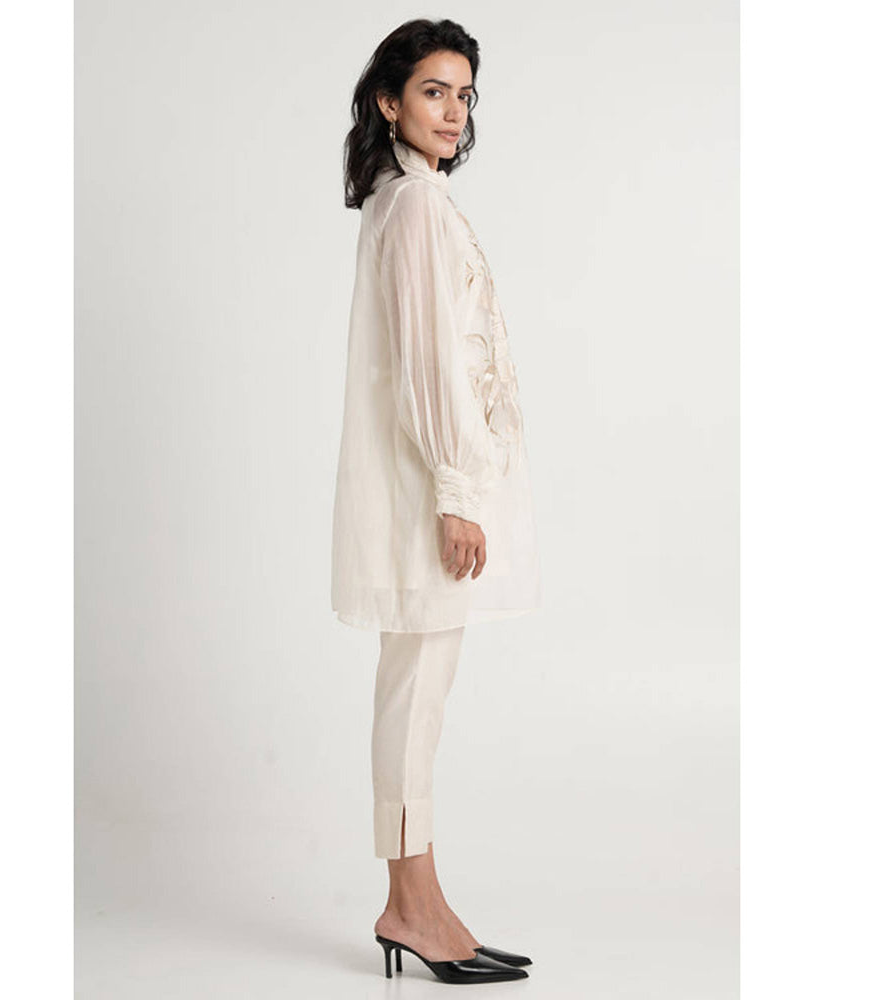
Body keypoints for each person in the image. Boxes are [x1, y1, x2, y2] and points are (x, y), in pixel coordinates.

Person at [331, 18, 542, 985]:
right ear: (389, 101)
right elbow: (427, 365)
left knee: (418, 690)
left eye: (463, 94)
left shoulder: (409, 198)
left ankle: (419, 899)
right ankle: (412, 906)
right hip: (429, 495)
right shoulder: (414, 206)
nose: (454, 112)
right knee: (416, 693)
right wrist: (458, 492)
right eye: (432, 91)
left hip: (429, 488)